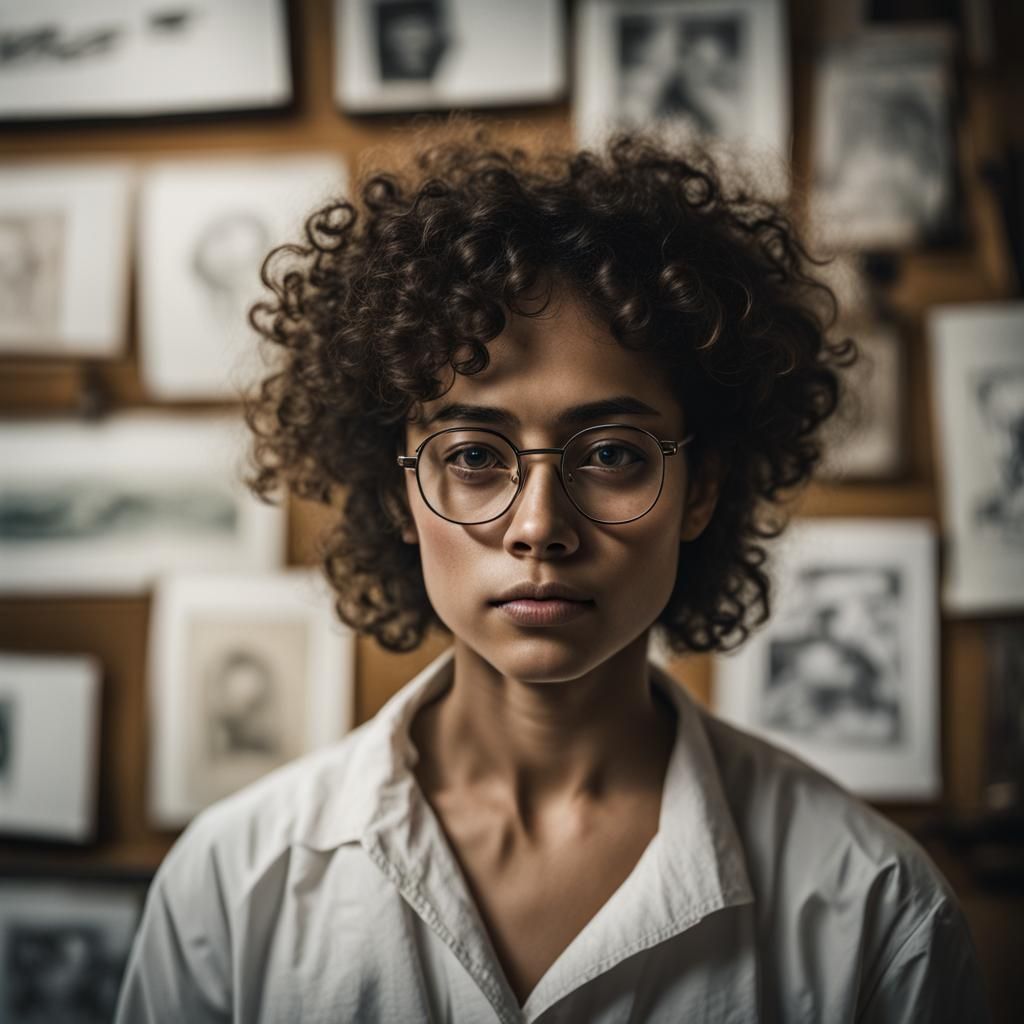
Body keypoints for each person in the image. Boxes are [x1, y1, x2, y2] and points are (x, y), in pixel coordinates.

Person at [115, 128, 990, 1022]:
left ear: (701, 489)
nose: (539, 527)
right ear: (397, 492)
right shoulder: (232, 889)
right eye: (473, 456)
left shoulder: (873, 912)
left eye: (612, 453)